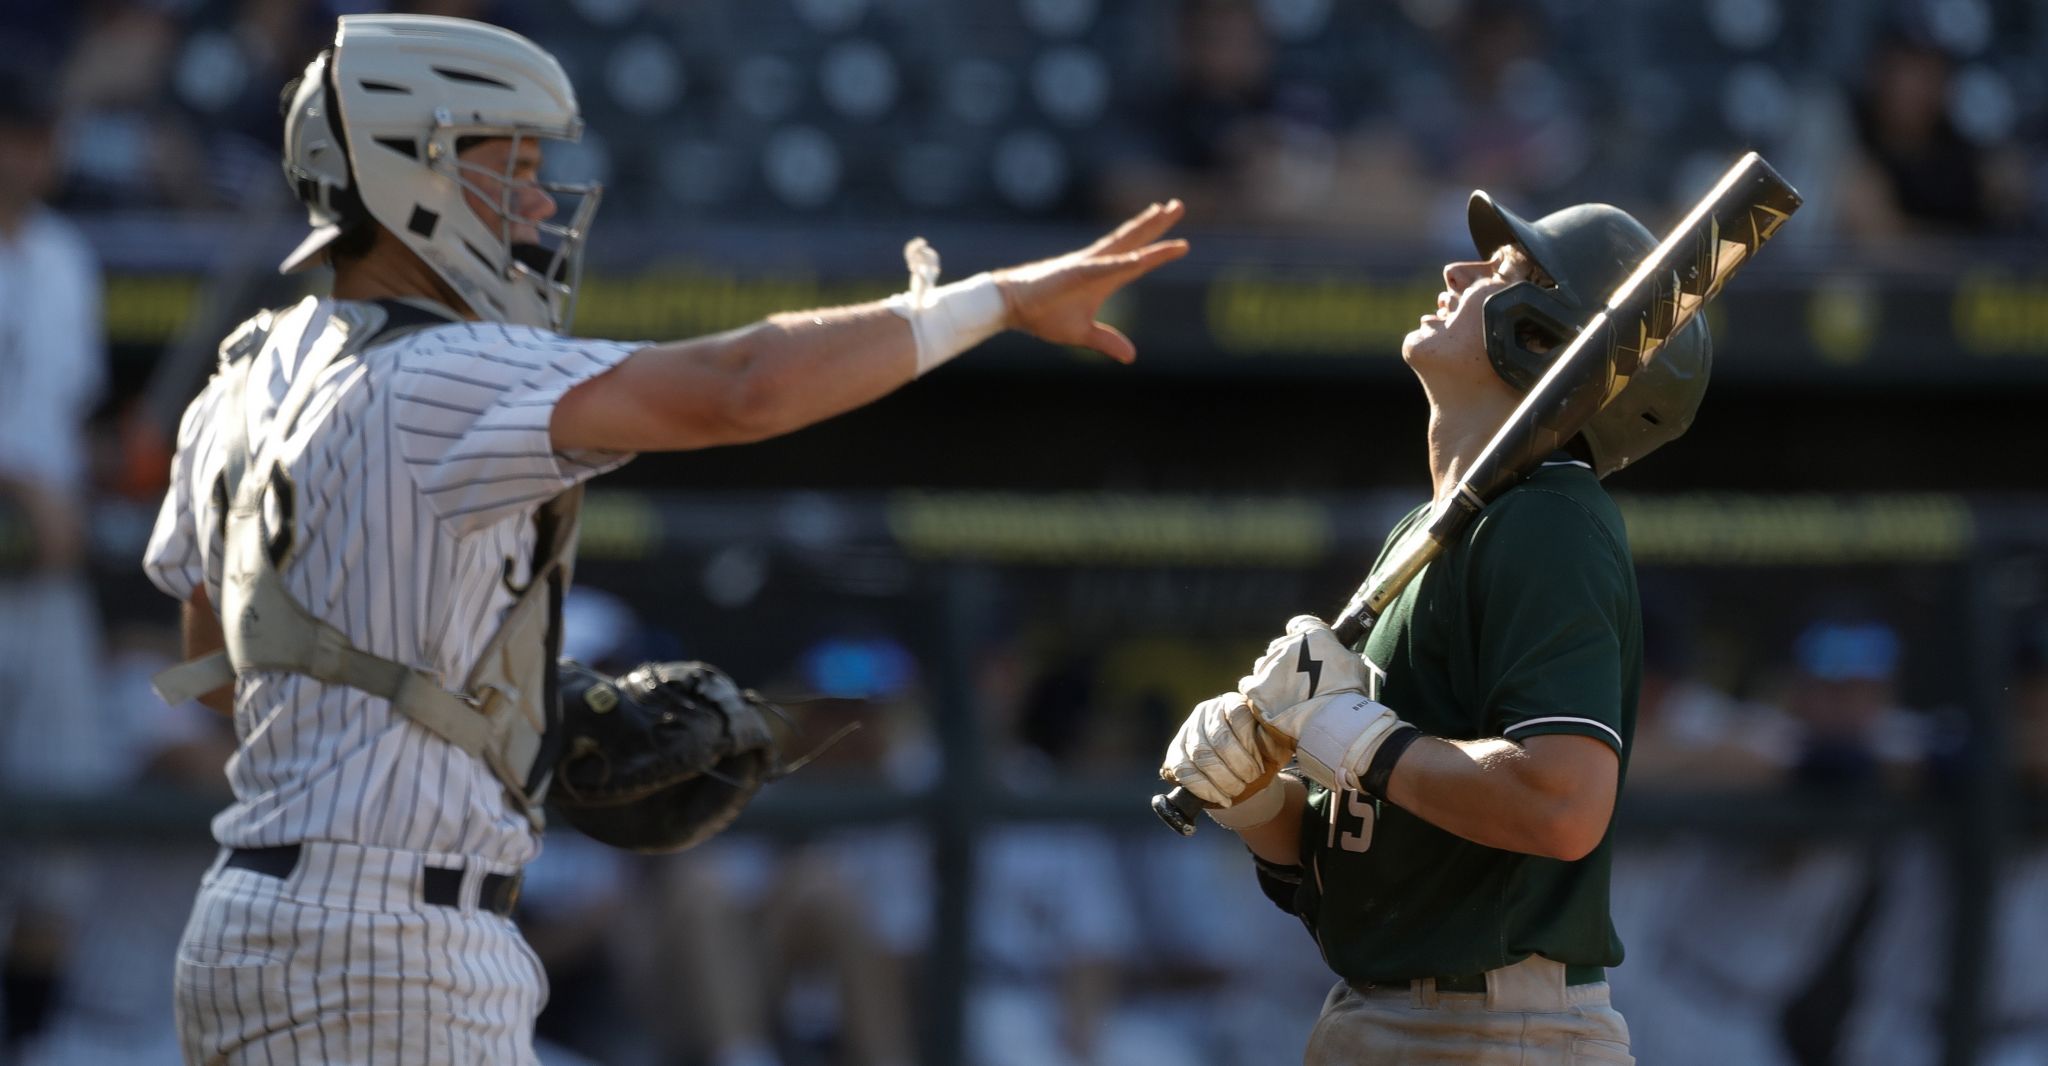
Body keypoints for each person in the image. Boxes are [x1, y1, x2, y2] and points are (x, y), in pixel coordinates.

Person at [140, 14, 1186, 1064]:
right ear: (405, 171)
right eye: (514, 170)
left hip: (245, 929)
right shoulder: (445, 365)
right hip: (387, 950)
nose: (543, 201)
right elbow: (744, 387)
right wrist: (991, 302)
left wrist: (479, 706)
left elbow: (225, 670)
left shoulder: (242, 380)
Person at [1161, 191, 1715, 1063]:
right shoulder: (1419, 539)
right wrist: (1259, 801)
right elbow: (1364, 884)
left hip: (1492, 1028)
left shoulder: (1548, 518)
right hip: (1392, 1015)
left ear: (1541, 336)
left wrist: (1350, 735)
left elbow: (1563, 804)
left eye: (1505, 275)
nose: (1458, 273)